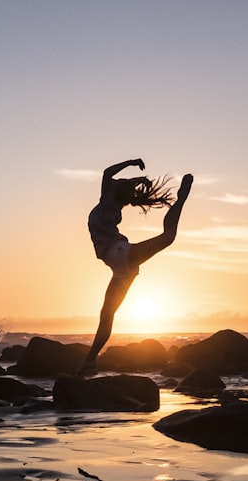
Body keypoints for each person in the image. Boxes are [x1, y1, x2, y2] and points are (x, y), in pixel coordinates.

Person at [79, 158, 194, 374]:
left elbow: (107, 173)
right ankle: (89, 361)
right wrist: (137, 177)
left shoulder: (107, 202)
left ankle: (182, 199)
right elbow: (114, 180)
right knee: (107, 313)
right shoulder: (111, 202)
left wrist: (132, 164)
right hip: (119, 264)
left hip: (118, 253)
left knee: (168, 237)